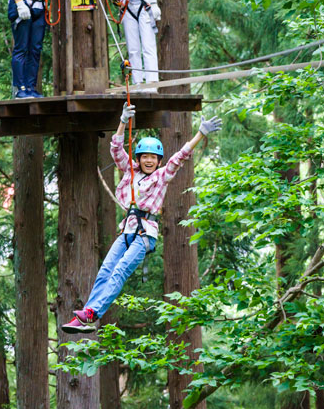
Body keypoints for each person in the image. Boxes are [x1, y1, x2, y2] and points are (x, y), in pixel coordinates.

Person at [61, 103, 223, 333]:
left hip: (145, 234)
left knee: (120, 271)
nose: (148, 161)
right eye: (144, 156)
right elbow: (116, 149)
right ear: (138, 158)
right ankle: (85, 318)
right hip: (127, 231)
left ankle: (92, 314)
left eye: (153, 157)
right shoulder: (130, 171)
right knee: (105, 271)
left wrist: (200, 134)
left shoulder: (161, 176)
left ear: (158, 161)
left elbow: (179, 157)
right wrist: (122, 121)